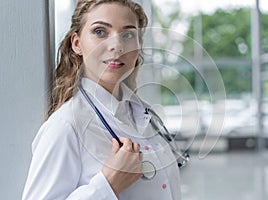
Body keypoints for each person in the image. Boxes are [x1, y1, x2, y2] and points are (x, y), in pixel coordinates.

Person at [22, 0, 182, 199]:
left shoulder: (144, 116)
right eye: (100, 32)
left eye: (128, 34)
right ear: (77, 43)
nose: (117, 45)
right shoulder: (66, 126)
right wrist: (107, 184)